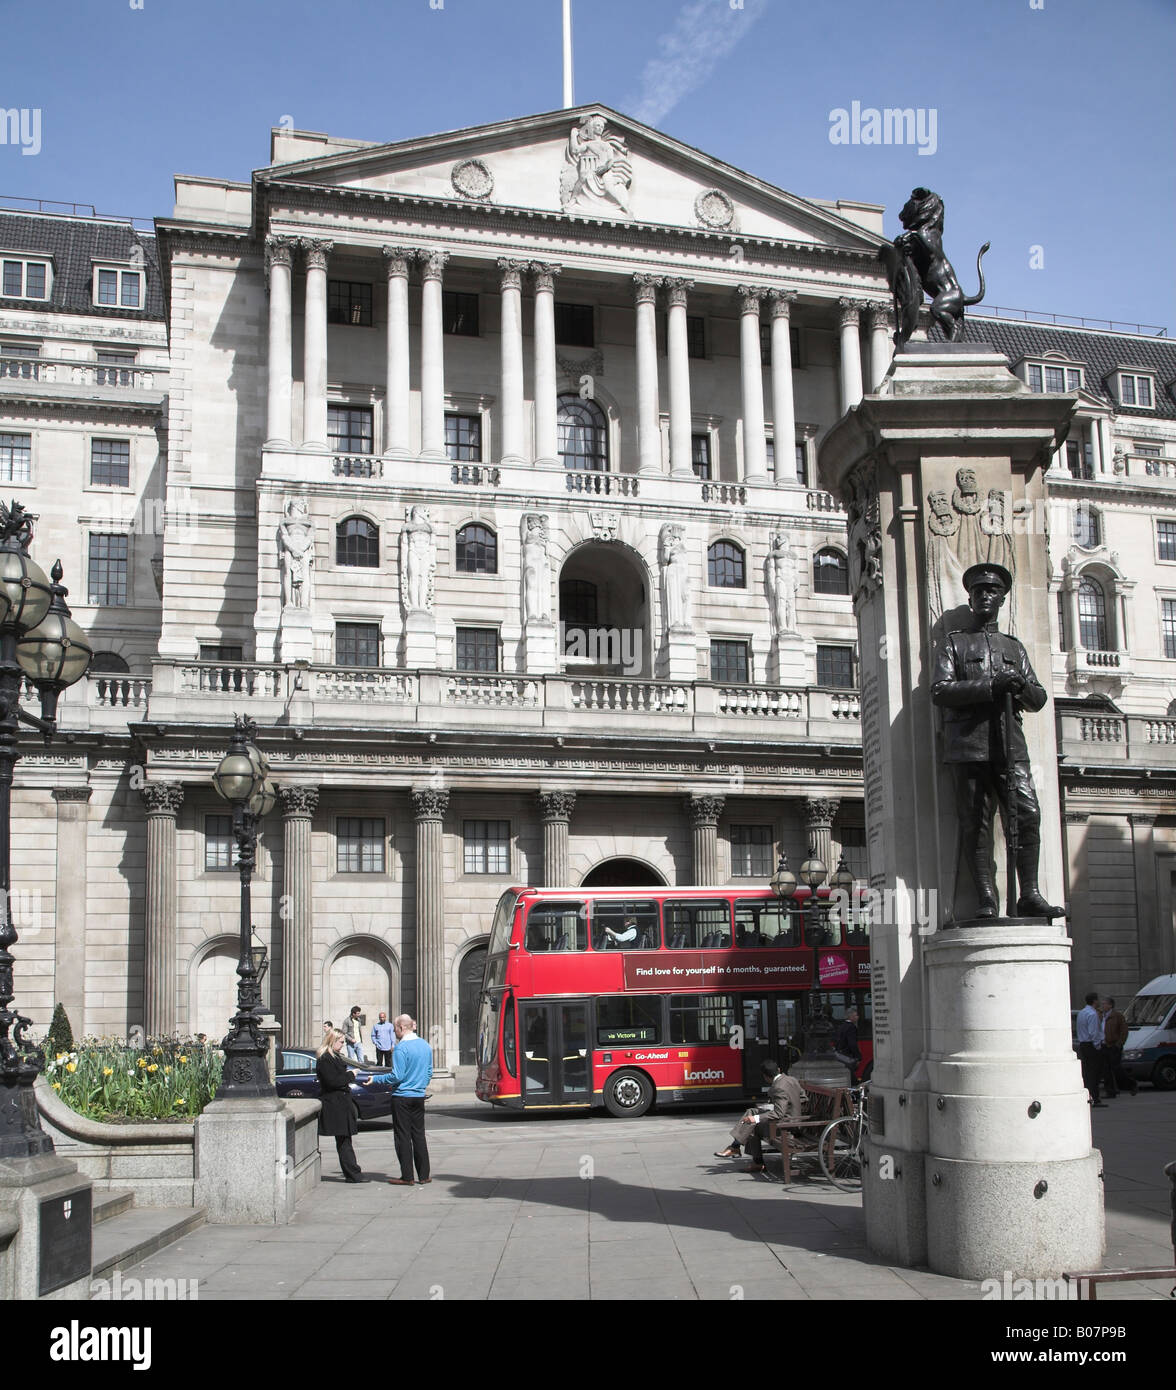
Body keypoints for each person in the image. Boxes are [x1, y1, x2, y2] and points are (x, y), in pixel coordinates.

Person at [930, 563, 1061, 920]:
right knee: (975, 823)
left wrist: (1019, 684)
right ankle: (986, 898)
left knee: (1027, 814)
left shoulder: (1013, 648)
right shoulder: (954, 644)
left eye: (992, 592)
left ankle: (1029, 893)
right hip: (968, 746)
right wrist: (990, 687)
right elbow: (940, 691)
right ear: (970, 599)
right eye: (978, 592)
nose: (985, 596)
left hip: (1010, 745)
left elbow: (1038, 699)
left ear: (1002, 599)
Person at [714, 1059, 804, 1171]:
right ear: (779, 1070)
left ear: (765, 1076)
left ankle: (751, 1158)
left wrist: (756, 1118)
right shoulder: (792, 1079)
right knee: (751, 1111)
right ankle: (735, 1146)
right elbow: (803, 1097)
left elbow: (779, 1113)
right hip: (795, 1120)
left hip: (786, 1127)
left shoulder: (778, 1087)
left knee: (752, 1125)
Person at [387, 1015, 434, 1187]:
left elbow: (397, 1076)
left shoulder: (401, 1048)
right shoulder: (425, 1045)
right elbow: (429, 1072)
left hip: (402, 1097)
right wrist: (420, 1085)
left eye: (395, 1029)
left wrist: (376, 1080)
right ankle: (424, 1175)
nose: (394, 1032)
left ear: (401, 1028)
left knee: (403, 1136)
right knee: (419, 1134)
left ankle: (407, 1176)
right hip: (418, 1096)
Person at [315, 1028, 367, 1183]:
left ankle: (352, 1173)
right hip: (335, 1104)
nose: (343, 1045)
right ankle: (353, 1174)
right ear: (333, 1040)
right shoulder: (325, 1059)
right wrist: (351, 1075)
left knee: (345, 1140)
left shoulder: (334, 1056)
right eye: (341, 1042)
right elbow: (332, 1081)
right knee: (344, 1140)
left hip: (341, 1102)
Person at [1100, 997, 1137, 1098]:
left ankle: (1131, 1084)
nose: (1102, 1006)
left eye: (1104, 1004)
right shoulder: (1101, 1016)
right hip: (1104, 1045)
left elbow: (1124, 1031)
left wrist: (1119, 1043)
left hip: (1113, 1045)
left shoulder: (1117, 1016)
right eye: (1102, 1004)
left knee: (1116, 1068)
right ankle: (1110, 1091)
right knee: (1106, 1070)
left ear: (1110, 1005)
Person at [1076, 991, 1105, 1107]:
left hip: (1083, 1045)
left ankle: (1089, 1096)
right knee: (1095, 1073)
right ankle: (1095, 1098)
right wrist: (1098, 1046)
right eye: (1098, 1000)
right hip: (1091, 1046)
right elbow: (1094, 1033)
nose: (1099, 1002)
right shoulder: (1092, 1014)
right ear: (1094, 1001)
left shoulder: (1082, 1013)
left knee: (1087, 1073)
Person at [834, 1008, 862, 1085]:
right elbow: (852, 1043)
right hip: (848, 1056)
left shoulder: (841, 1026)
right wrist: (858, 1057)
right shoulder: (851, 1027)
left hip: (841, 1056)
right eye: (856, 1015)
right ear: (851, 1017)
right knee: (852, 1079)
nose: (858, 1017)